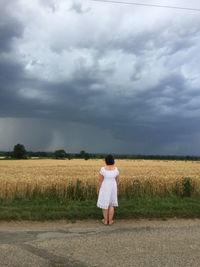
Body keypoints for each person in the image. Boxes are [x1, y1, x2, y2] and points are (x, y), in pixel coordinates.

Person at [97, 154, 119, 225]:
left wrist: (98, 189)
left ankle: (105, 221)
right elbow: (117, 181)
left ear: (106, 161)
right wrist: (117, 189)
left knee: (105, 204)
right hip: (113, 187)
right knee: (111, 205)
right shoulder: (116, 170)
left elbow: (100, 181)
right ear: (113, 161)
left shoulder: (102, 169)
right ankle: (110, 220)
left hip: (105, 187)